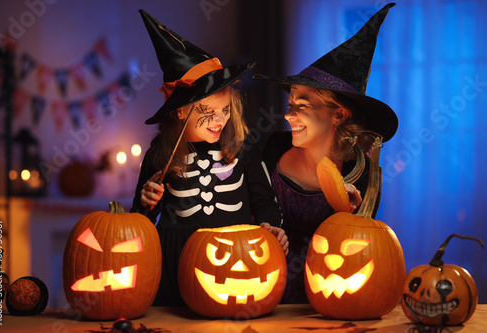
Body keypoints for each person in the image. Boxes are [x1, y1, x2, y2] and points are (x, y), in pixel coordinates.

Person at [131, 10, 288, 306]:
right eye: (209, 113)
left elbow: (265, 201)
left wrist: (270, 226)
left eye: (225, 111)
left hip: (237, 256)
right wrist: (146, 204)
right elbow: (139, 225)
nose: (220, 121)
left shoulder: (243, 149)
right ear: (180, 111)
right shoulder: (160, 154)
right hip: (175, 261)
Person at [253, 3, 398, 304]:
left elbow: (362, 251)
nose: (288, 115)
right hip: (263, 289)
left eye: (302, 106)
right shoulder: (272, 150)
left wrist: (352, 214)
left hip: (331, 294)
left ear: (339, 115)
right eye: (291, 103)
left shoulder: (362, 172)